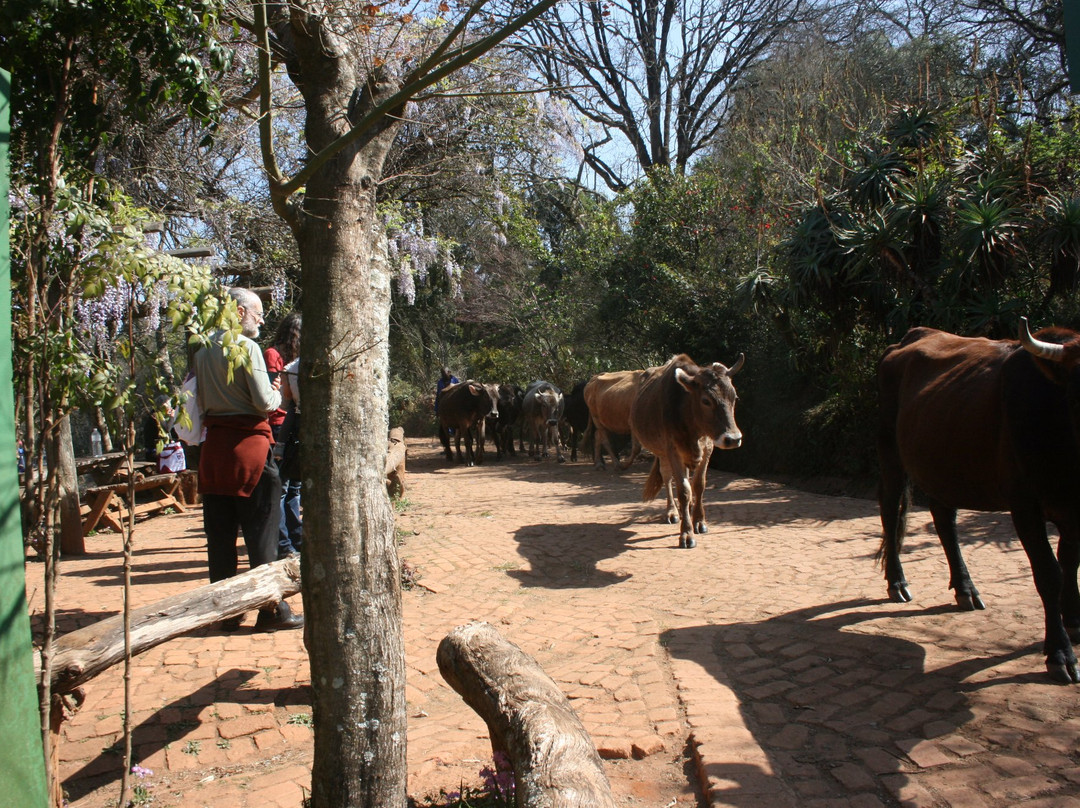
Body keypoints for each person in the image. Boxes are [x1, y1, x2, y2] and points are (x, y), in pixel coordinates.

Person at [194, 288, 303, 632]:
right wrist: (277, 390)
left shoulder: (200, 347)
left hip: (214, 453)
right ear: (240, 311)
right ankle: (272, 611)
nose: (261, 319)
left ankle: (226, 613)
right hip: (251, 450)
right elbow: (263, 402)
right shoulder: (247, 347)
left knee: (220, 538)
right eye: (257, 313)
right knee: (262, 537)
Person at [274, 355, 303, 559]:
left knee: (290, 489)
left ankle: (292, 542)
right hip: (297, 437)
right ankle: (288, 543)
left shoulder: (291, 368)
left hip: (294, 435)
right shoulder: (292, 367)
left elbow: (287, 405)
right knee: (288, 490)